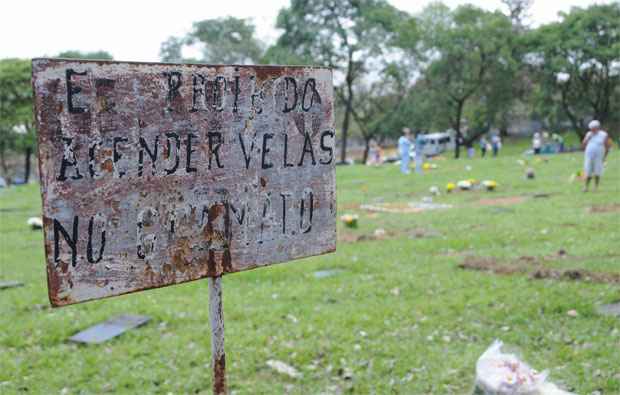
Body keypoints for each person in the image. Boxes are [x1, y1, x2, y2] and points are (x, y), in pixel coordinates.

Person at [582, 120, 612, 192]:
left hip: (599, 156)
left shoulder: (603, 134)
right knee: (588, 171)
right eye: (591, 128)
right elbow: (583, 144)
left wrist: (604, 156)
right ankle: (586, 187)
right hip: (589, 156)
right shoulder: (589, 134)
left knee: (597, 171)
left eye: (593, 128)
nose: (591, 130)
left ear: (597, 127)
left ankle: (595, 187)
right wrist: (588, 138)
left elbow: (607, 146)